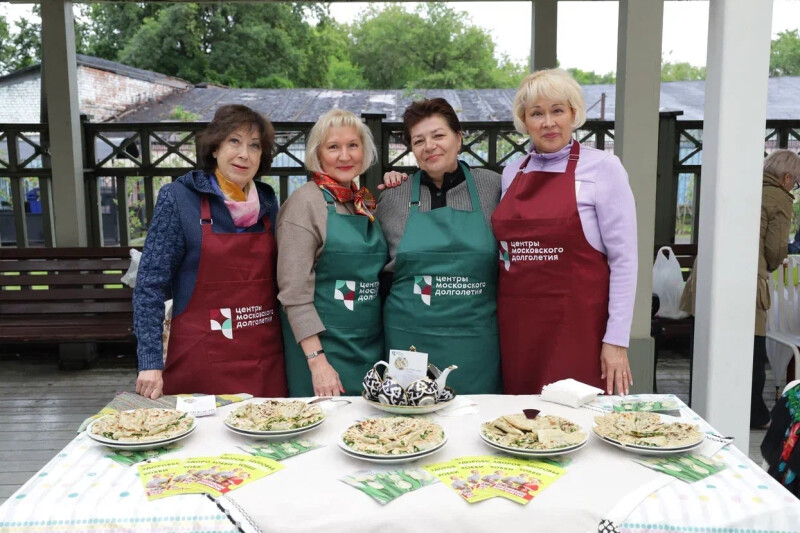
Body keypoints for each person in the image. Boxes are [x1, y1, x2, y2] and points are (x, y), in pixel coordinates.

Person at [493, 68, 637, 396]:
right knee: (521, 427)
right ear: (524, 120)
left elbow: (625, 262)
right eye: (537, 113)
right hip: (520, 333)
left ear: (574, 114)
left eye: (558, 110)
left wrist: (616, 340)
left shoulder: (604, 168)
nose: (548, 122)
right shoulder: (512, 173)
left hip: (581, 331)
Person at [134, 104, 286, 399]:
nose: (244, 153)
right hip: (200, 362)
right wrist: (150, 362)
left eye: (254, 146)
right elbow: (149, 287)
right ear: (215, 147)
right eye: (234, 141)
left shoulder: (268, 203)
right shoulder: (179, 198)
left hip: (262, 362)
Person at [377, 98, 502, 394]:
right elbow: (377, 271)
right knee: (411, 430)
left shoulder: (495, 188)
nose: (429, 146)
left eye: (438, 135)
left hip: (476, 342)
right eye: (418, 140)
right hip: (409, 339)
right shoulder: (393, 197)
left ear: (459, 139)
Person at [277, 109, 386, 397]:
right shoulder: (305, 204)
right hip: (322, 352)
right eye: (333, 147)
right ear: (318, 154)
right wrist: (317, 362)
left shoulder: (364, 203)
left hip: (367, 348)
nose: (345, 156)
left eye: (353, 145)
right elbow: (294, 293)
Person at [752, 149, 800, 428]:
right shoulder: (779, 198)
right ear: (786, 177)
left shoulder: (749, 187)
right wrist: (774, 263)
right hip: (749, 282)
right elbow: (774, 250)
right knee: (753, 349)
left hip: (710, 278)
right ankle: (756, 414)